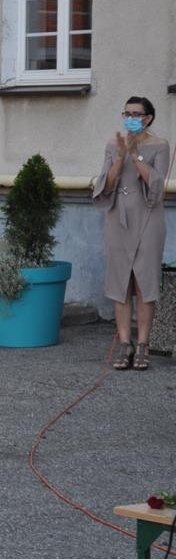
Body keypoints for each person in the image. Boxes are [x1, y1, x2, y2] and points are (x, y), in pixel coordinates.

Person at [93, 96, 171, 371]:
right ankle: (125, 344)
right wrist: (118, 158)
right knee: (120, 283)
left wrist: (136, 154)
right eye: (127, 113)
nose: (131, 118)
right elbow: (106, 185)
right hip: (118, 219)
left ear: (148, 118)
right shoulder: (113, 144)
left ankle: (143, 345)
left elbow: (157, 185)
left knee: (143, 283)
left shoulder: (160, 145)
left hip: (148, 218)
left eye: (136, 114)